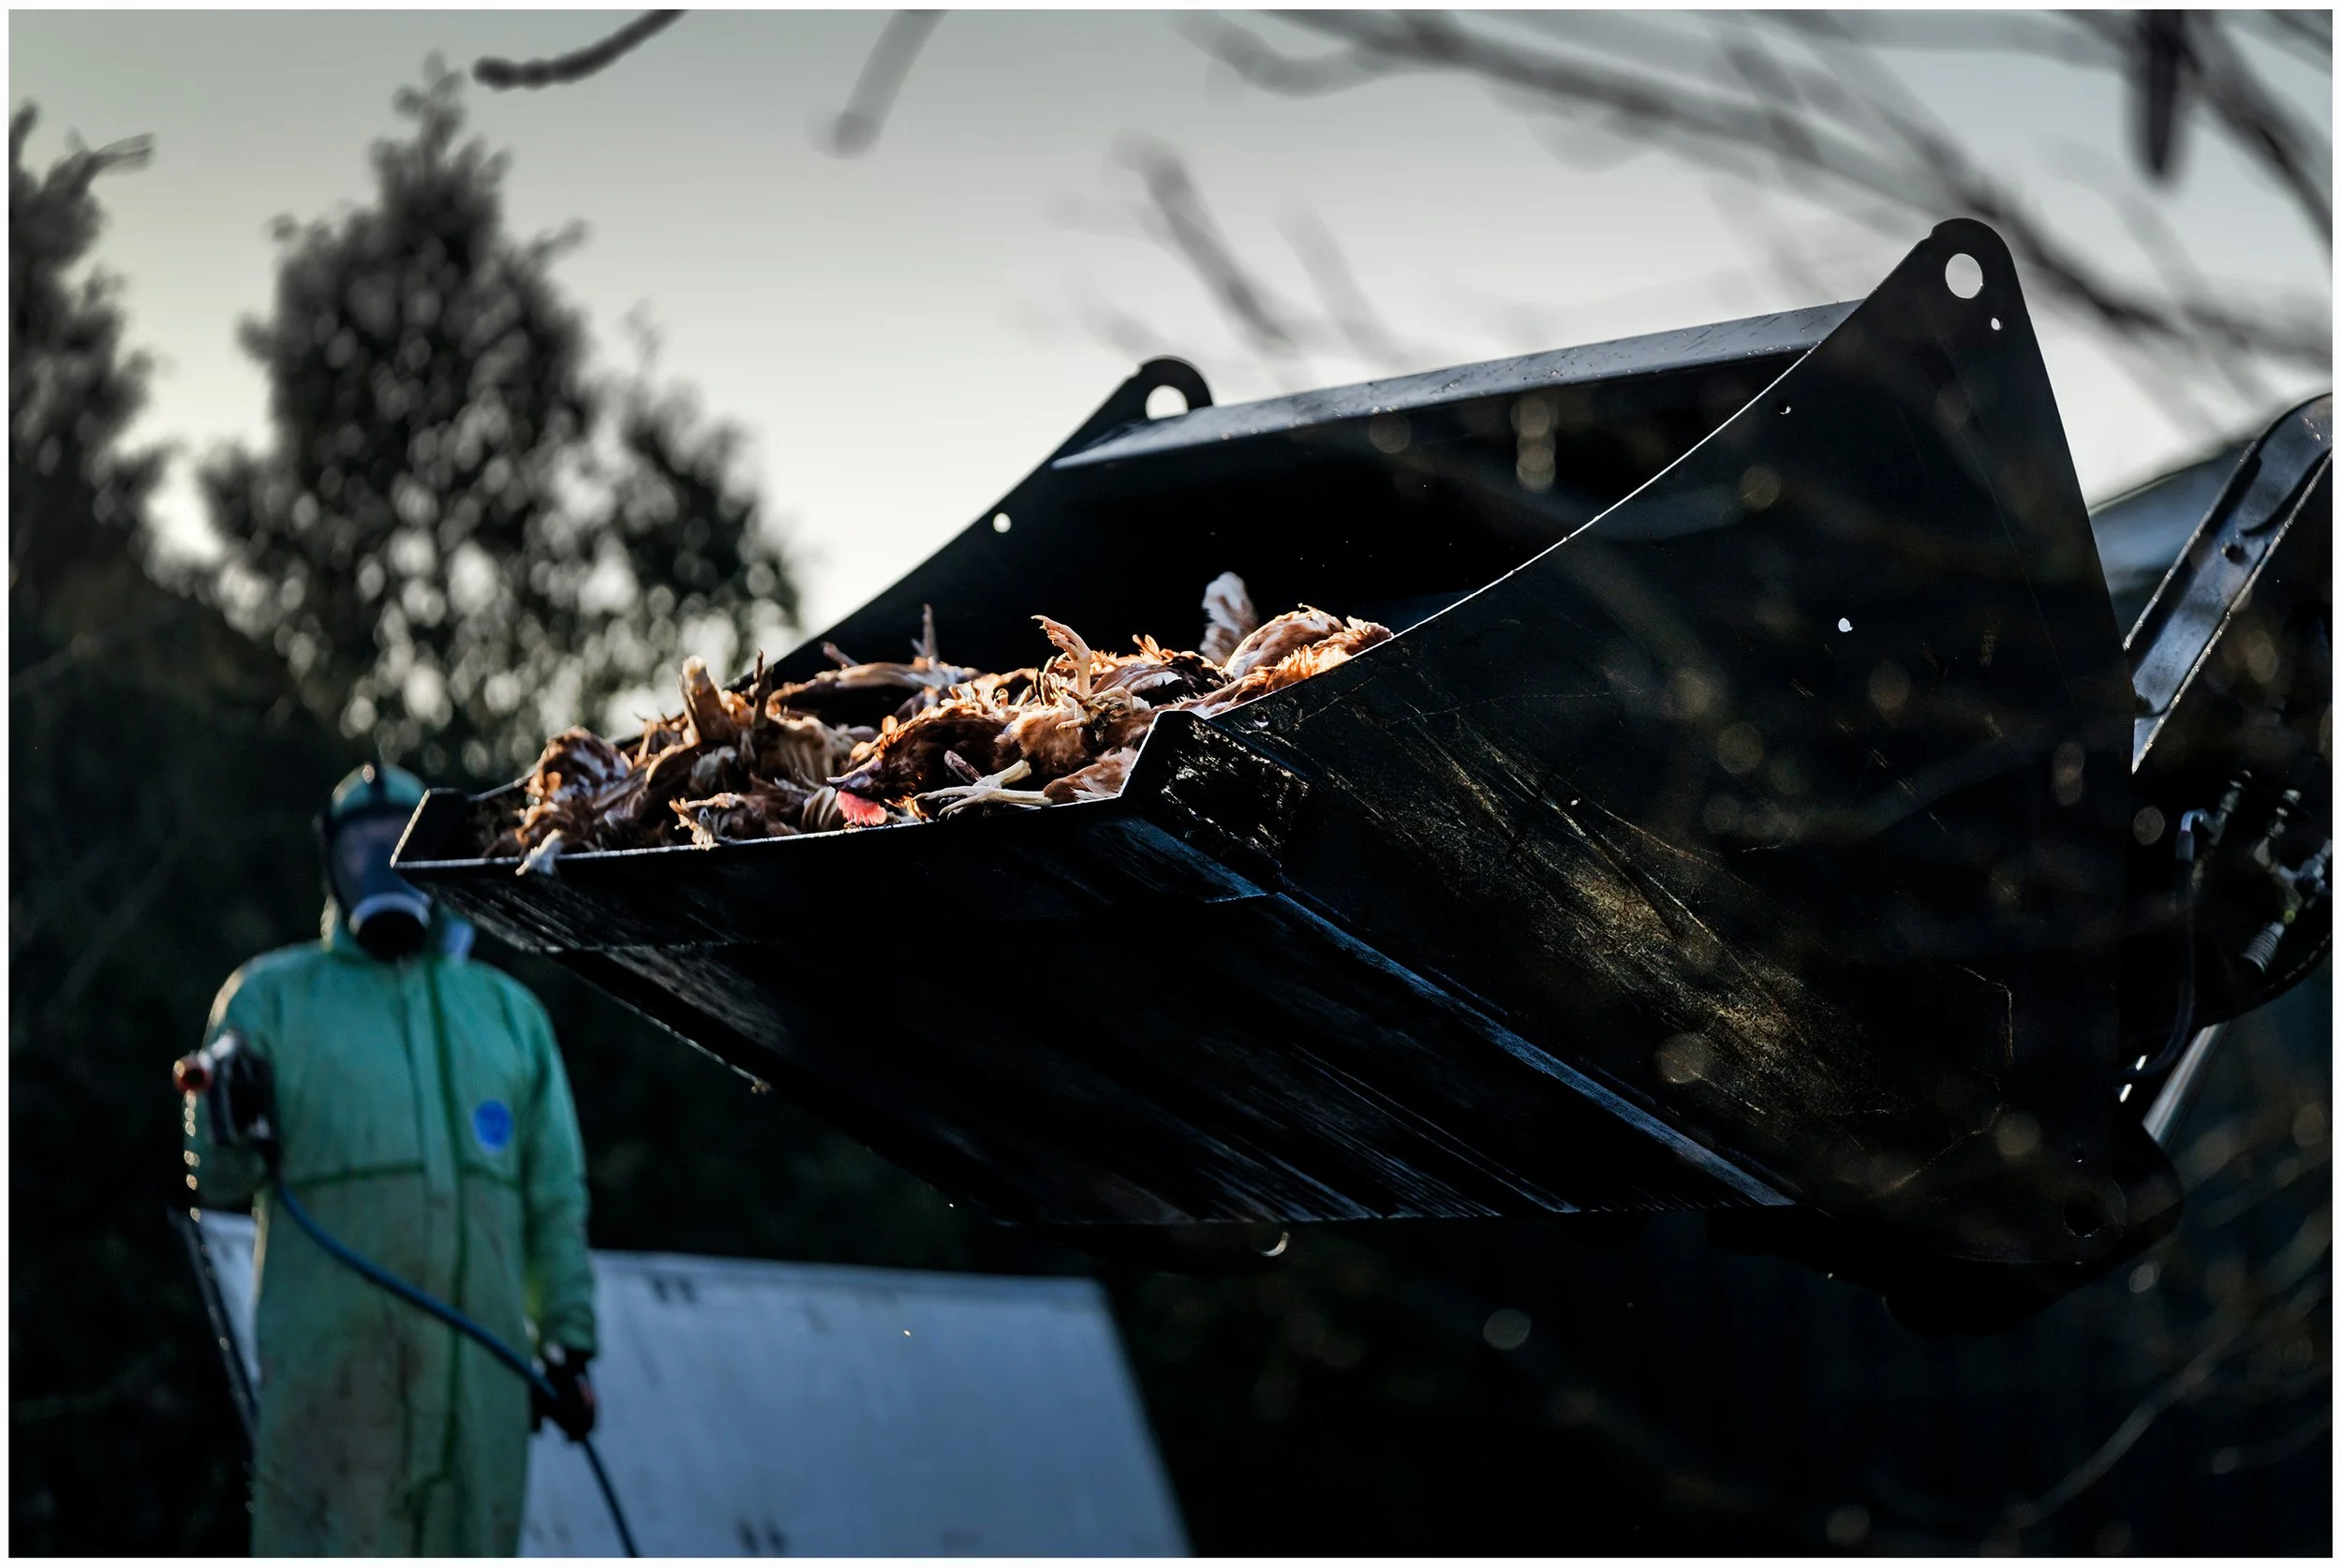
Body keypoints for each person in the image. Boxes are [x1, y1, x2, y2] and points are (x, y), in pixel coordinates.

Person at [185, 762, 599, 1556]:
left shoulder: (506, 1015)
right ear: (331, 865)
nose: (381, 867)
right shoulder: (269, 999)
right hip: (333, 1394)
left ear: (436, 860)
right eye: (362, 849)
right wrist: (224, 1115)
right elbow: (221, 1180)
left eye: (403, 847)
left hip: (480, 1389)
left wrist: (568, 1343)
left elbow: (553, 1195)